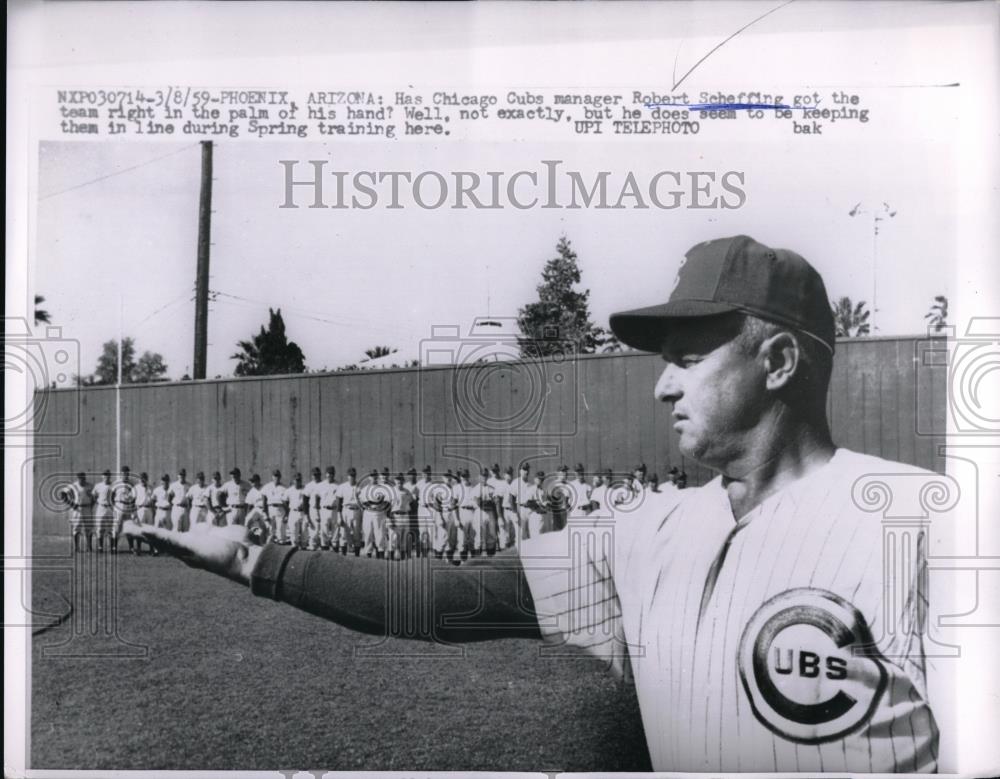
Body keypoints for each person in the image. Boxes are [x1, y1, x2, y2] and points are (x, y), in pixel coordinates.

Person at [130, 235, 941, 773]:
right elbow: (448, 597)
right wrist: (252, 558)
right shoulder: (644, 532)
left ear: (779, 360)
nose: (663, 384)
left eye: (688, 358)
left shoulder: (927, 522)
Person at [61, 471, 93, 553]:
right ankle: (77, 547)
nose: (81, 480)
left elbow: (94, 496)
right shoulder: (74, 486)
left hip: (87, 508)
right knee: (76, 528)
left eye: (83, 478)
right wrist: (71, 504)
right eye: (80, 478)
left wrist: (91, 504)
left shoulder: (90, 486)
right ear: (77, 478)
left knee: (88, 528)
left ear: (85, 478)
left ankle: (89, 547)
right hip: (77, 509)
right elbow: (62, 494)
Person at [334, 467, 362, 556]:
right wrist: (339, 515)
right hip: (346, 510)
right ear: (347, 476)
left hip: (356, 510)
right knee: (343, 533)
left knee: (357, 533)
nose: (352, 477)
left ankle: (357, 556)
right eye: (350, 476)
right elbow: (339, 501)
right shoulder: (342, 486)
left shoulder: (359, 486)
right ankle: (343, 555)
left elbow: (362, 502)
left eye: (353, 476)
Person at [111, 466, 136, 554]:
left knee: (129, 527)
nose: (125, 475)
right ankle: (114, 547)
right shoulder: (116, 483)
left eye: (127, 473)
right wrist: (113, 507)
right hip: (119, 504)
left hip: (128, 506)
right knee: (116, 528)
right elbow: (111, 496)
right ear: (121, 474)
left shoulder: (132, 483)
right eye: (124, 473)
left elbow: (134, 497)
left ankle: (131, 548)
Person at [262, 470, 288, 544]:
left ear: (280, 477)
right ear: (272, 477)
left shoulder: (284, 488)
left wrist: (287, 514)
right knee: (270, 529)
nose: (276, 477)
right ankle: (270, 547)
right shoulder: (267, 486)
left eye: (278, 476)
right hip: (270, 508)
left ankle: (282, 545)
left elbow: (287, 502)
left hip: (280, 509)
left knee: (280, 529)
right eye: (275, 476)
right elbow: (264, 499)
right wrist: (265, 512)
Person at [317, 467, 339, 551]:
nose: (330, 475)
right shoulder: (321, 485)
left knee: (335, 532)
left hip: (334, 510)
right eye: (328, 473)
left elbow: (340, 499)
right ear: (326, 474)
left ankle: (335, 553)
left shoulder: (338, 485)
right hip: (324, 510)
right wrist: (317, 512)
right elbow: (317, 498)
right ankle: (324, 553)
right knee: (324, 532)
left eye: (332, 473)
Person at [92, 470, 114, 552]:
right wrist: (98, 501)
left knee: (111, 528)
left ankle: (111, 547)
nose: (106, 477)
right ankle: (100, 547)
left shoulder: (113, 485)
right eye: (105, 476)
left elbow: (115, 496)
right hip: (101, 507)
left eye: (108, 476)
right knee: (100, 527)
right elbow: (94, 495)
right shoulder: (98, 486)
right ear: (102, 476)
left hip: (110, 508)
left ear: (110, 477)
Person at [285, 472, 309, 549]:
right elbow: (285, 501)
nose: (297, 481)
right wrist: (287, 512)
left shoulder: (305, 489)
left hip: (303, 512)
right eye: (296, 480)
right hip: (293, 512)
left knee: (304, 534)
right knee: (294, 535)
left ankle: (304, 552)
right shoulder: (289, 490)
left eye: (299, 480)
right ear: (293, 480)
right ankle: (294, 553)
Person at [168, 468, 191, 533]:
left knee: (186, 530)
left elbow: (190, 498)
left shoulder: (189, 485)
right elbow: (169, 496)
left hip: (185, 509)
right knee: (176, 529)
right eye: (180, 475)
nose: (182, 476)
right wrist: (172, 505)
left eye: (183, 475)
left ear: (185, 475)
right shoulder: (173, 485)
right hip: (177, 508)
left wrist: (189, 507)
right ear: (178, 476)